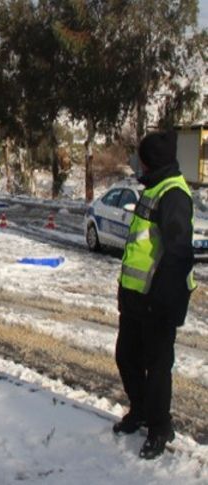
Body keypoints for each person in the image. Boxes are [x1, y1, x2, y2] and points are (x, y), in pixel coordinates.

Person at [114, 130, 196, 460]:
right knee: (127, 357)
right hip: (135, 298)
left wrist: (161, 302)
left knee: (158, 368)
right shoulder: (154, 188)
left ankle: (160, 426)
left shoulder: (174, 194)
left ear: (154, 162)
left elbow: (178, 254)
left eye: (143, 159)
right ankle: (141, 411)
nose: (139, 164)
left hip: (157, 301)